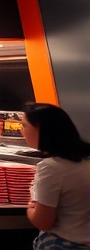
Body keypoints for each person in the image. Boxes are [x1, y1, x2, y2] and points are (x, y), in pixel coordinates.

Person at [21, 103, 90, 250]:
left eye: (24, 125)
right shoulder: (85, 159)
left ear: (41, 129)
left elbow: (43, 222)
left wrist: (30, 206)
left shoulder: (50, 167)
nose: (22, 131)